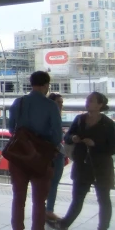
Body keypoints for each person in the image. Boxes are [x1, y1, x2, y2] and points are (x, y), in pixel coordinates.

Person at [8, 71, 62, 230]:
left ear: (31, 84)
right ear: (46, 84)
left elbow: (10, 128)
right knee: (39, 201)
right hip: (40, 159)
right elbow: (56, 136)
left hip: (19, 157)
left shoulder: (19, 102)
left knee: (18, 197)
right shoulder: (51, 106)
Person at [52, 92, 115, 230]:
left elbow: (113, 147)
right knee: (78, 198)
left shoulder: (108, 124)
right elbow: (67, 137)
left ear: (100, 105)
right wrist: (72, 138)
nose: (87, 103)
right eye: (87, 100)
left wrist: (95, 145)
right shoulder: (79, 119)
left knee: (103, 200)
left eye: (91, 101)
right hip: (82, 166)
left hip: (101, 167)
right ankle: (64, 224)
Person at [46, 93, 66, 221]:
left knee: (51, 183)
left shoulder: (49, 116)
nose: (60, 105)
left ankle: (46, 209)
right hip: (54, 154)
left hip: (54, 153)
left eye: (61, 103)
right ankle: (48, 211)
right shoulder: (53, 117)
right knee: (52, 183)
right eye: (58, 102)